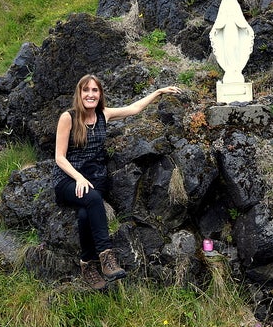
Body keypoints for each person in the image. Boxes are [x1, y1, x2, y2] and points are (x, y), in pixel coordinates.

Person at [54, 74, 181, 289]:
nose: (91, 95)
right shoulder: (68, 117)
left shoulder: (103, 114)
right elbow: (59, 157)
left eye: (95, 90)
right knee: (93, 200)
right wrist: (79, 178)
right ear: (79, 93)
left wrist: (158, 92)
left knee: (86, 212)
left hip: (95, 179)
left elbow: (134, 109)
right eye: (86, 90)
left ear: (100, 94)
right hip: (69, 179)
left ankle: (87, 264)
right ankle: (106, 256)